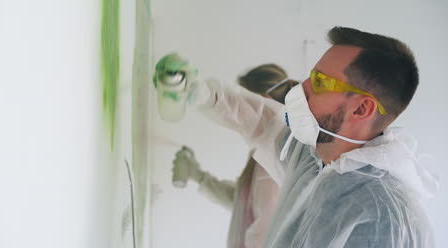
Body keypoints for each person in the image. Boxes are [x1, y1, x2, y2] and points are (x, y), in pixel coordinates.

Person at [153, 26, 439, 247]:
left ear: (362, 108)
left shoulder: (383, 217)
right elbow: (260, 121)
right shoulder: (318, 160)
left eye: (320, 82)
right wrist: (199, 90)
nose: (302, 89)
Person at [171, 64, 298, 248]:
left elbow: (264, 232)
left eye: (246, 99)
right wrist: (199, 176)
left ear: (261, 101)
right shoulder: (263, 156)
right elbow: (243, 206)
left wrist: (204, 94)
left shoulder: (273, 163)